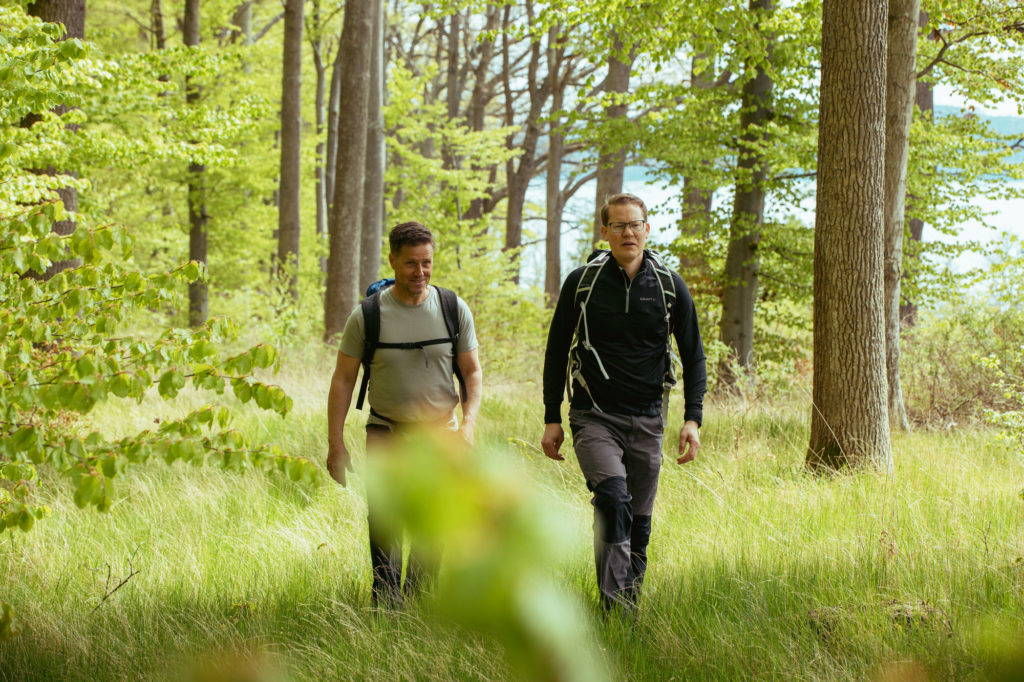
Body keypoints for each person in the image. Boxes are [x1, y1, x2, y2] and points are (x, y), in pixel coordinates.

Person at [541, 193, 707, 610]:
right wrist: (551, 417)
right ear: (605, 232)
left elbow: (693, 352)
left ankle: (629, 601)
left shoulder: (669, 285)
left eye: (635, 225)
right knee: (613, 499)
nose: (628, 233)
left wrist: (693, 418)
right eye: (618, 226)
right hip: (593, 416)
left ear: (647, 229)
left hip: (649, 419)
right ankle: (615, 608)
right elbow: (557, 348)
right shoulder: (582, 282)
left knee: (639, 521)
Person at [326, 221, 482, 607]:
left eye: (427, 263)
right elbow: (343, 380)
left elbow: (473, 372)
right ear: (393, 260)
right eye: (411, 264)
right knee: (383, 520)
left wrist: (468, 426)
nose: (420, 272)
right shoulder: (367, 316)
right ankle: (387, 605)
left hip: (440, 434)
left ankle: (420, 597)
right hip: (386, 430)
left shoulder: (451, 308)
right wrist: (335, 443)